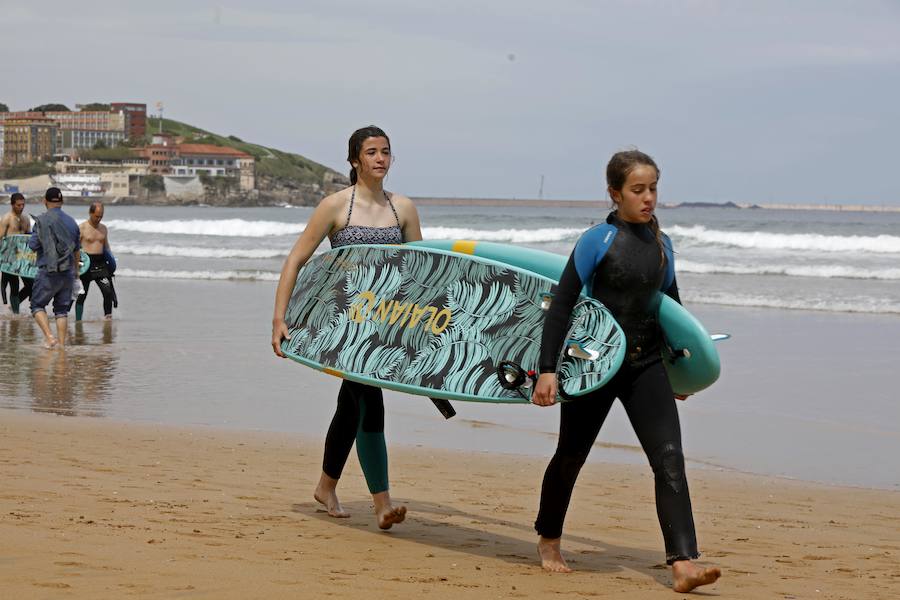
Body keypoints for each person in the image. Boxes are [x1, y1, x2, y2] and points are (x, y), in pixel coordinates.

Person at [531, 150, 721, 593]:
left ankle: (683, 563)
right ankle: (549, 538)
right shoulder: (596, 239)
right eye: (638, 190)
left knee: (669, 458)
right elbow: (562, 306)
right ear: (615, 194)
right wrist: (548, 369)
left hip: (646, 363)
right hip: (594, 364)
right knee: (570, 456)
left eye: (653, 188)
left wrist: (682, 373)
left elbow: (673, 313)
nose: (648, 198)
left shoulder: (663, 244)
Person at [271, 126, 423, 529]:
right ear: (355, 160)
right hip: (346, 324)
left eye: (386, 152)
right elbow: (295, 261)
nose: (380, 159)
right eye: (371, 152)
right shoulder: (336, 206)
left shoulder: (402, 209)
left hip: (386, 324)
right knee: (368, 399)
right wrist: (279, 318)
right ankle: (383, 503)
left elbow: (421, 274)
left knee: (350, 404)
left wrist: (420, 329)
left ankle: (325, 486)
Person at [28, 187, 81, 349]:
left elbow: (33, 245)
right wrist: (76, 273)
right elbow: (77, 250)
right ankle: (62, 346)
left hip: (48, 271)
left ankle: (50, 338)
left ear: (45, 201)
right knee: (61, 310)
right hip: (68, 273)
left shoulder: (41, 221)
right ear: (62, 202)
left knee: (37, 305)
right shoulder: (72, 222)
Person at [75, 201, 118, 321]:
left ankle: (108, 318)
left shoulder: (104, 228)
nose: (99, 219)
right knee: (82, 295)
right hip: (86, 264)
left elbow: (107, 247)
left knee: (107, 291)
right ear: (90, 213)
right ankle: (78, 321)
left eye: (101, 216)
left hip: (101, 265)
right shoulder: (82, 227)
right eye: (96, 216)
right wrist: (76, 266)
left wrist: (112, 261)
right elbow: (75, 248)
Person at [0, 192, 33, 314]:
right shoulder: (6, 219)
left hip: (23, 257)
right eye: (18, 205)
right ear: (12, 204)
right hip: (9, 258)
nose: (21, 207)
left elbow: (29, 239)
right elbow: (0, 239)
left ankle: (14, 306)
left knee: (31, 285)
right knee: (14, 287)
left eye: (23, 205)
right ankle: (16, 315)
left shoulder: (26, 219)